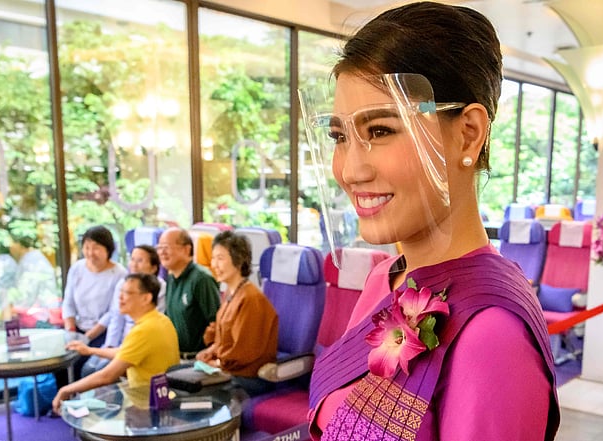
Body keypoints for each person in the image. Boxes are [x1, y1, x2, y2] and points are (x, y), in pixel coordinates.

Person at [302, 3, 559, 440]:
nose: (349, 170)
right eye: (340, 137)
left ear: (468, 134)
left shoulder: (491, 336)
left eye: (380, 130)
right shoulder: (384, 278)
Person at [52, 273, 179, 414]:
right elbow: (125, 353)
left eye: (128, 293)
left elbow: (107, 376)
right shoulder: (160, 320)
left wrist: (65, 389)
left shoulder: (144, 330)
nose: (120, 297)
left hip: (146, 407)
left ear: (146, 298)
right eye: (121, 292)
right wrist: (90, 350)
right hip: (161, 398)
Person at [196, 231, 278, 396]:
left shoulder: (251, 299)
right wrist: (211, 351)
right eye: (213, 258)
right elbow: (224, 337)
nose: (214, 265)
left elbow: (244, 351)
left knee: (192, 389)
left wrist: (217, 362)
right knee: (176, 375)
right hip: (230, 369)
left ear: (239, 261)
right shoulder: (230, 294)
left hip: (248, 377)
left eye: (220, 258)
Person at [72, 244, 166, 375]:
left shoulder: (160, 288)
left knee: (98, 371)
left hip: (137, 344)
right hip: (119, 342)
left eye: (140, 261)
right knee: (88, 368)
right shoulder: (123, 284)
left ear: (153, 268)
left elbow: (152, 318)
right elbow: (116, 317)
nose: (134, 264)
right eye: (132, 259)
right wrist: (110, 345)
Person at [60, 226, 127, 383]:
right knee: (60, 365)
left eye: (96, 248)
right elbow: (68, 302)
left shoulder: (119, 273)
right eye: (87, 247)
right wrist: (71, 332)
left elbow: (113, 312)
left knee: (83, 367)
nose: (90, 253)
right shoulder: (77, 268)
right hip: (76, 328)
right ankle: (64, 403)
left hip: (102, 332)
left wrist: (86, 338)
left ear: (108, 249)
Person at [157, 227, 220, 357]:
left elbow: (216, 323)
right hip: (174, 355)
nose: (162, 252)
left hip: (197, 359)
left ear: (186, 249)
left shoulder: (201, 279)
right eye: (159, 247)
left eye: (167, 247)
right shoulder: (171, 278)